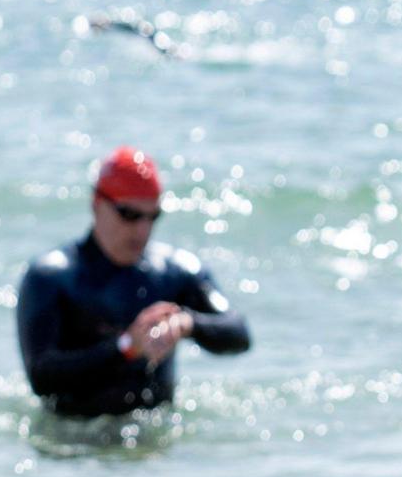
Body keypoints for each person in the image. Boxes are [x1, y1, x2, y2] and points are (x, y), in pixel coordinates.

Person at [16, 146, 249, 418]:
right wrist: (127, 347)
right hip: (75, 446)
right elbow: (41, 377)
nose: (142, 230)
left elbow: (239, 332)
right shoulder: (51, 277)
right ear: (96, 204)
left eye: (152, 217)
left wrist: (187, 323)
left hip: (152, 448)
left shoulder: (174, 272)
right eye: (129, 214)